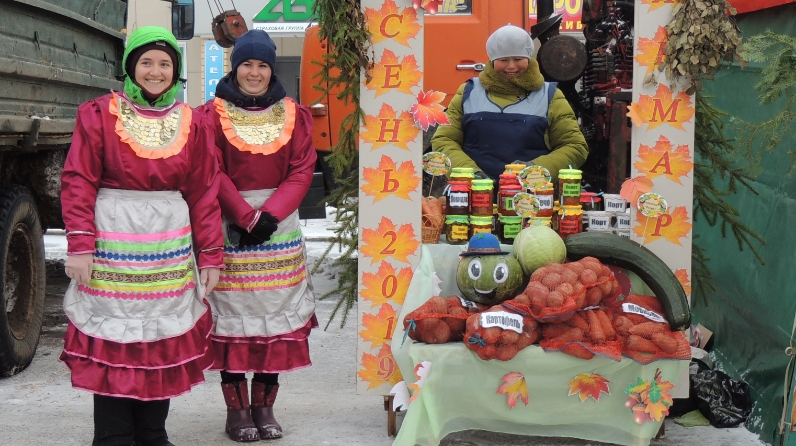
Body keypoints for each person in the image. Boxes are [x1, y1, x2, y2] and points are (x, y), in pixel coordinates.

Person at [60, 26, 224, 446]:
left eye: (165, 63)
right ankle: (113, 436)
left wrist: (210, 253)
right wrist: (80, 245)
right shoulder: (99, 114)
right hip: (113, 244)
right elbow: (79, 180)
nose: (155, 71)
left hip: (168, 247)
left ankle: (153, 433)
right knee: (115, 337)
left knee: (158, 337)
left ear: (175, 70)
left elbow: (204, 191)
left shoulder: (192, 122)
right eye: (146, 62)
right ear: (130, 67)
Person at [197, 30, 318, 442]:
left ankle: (264, 407)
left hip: (278, 229)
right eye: (246, 64)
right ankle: (237, 412)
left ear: (272, 69)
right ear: (235, 68)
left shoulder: (294, 115)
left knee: (274, 320)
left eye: (262, 65)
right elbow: (210, 169)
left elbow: (302, 169)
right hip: (230, 225)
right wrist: (245, 217)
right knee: (233, 322)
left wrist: (269, 216)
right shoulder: (210, 115)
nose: (254, 72)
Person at [431, 24, 588, 182]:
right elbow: (444, 140)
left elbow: (575, 146)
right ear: (492, 60)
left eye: (518, 59)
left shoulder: (550, 95)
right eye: (503, 60)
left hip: (532, 194)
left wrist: (535, 170)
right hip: (474, 193)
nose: (511, 66)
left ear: (528, 58)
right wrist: (471, 175)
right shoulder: (468, 92)